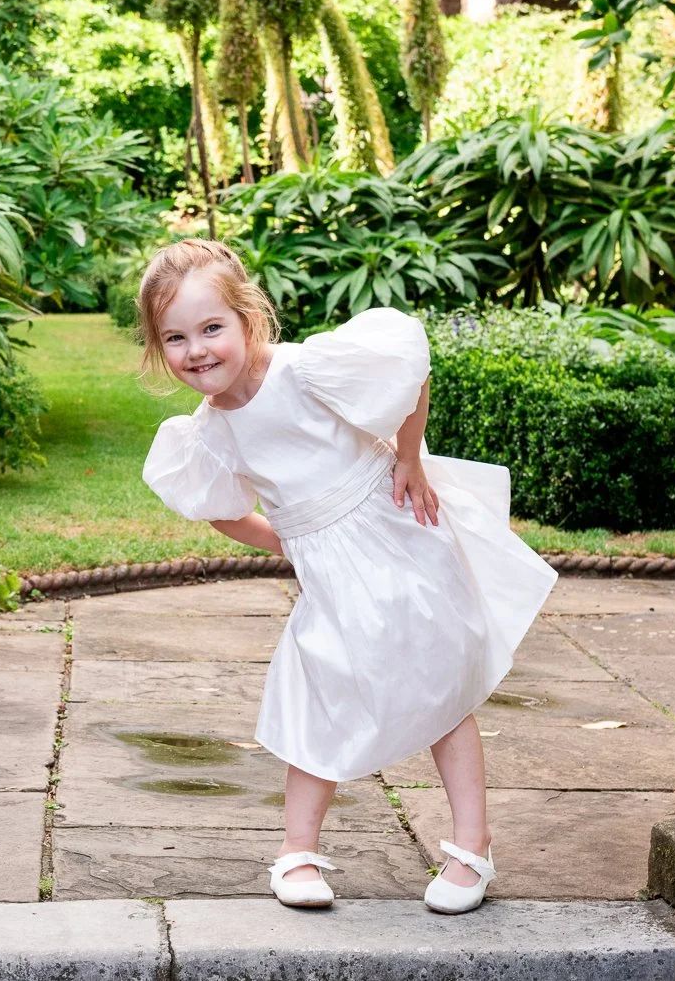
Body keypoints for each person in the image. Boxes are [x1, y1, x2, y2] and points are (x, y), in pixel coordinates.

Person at [136, 239, 557, 914]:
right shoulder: (209, 431)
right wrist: (294, 542)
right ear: (160, 349)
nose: (198, 350)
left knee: (440, 684)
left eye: (212, 328)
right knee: (321, 686)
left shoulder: (306, 372)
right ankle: (295, 853)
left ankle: (472, 846)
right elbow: (222, 510)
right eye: (176, 338)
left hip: (397, 533)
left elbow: (410, 376)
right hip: (329, 570)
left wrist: (410, 460)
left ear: (248, 317)